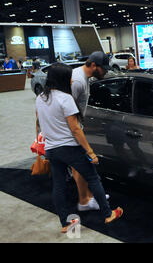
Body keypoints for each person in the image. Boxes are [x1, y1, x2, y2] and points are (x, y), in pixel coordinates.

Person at [35, 63, 123, 233]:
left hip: (52, 148)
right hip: (69, 147)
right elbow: (75, 129)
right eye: (69, 76)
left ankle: (65, 223)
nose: (71, 79)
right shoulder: (65, 98)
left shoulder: (40, 98)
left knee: (59, 185)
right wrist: (90, 151)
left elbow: (39, 121)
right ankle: (108, 213)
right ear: (62, 78)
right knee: (92, 177)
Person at [71, 51, 110, 211]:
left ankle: (87, 197)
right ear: (94, 65)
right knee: (81, 166)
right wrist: (77, 132)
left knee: (77, 167)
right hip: (71, 131)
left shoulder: (83, 78)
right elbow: (66, 109)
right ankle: (84, 202)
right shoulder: (78, 81)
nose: (106, 71)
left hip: (75, 128)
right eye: (104, 68)